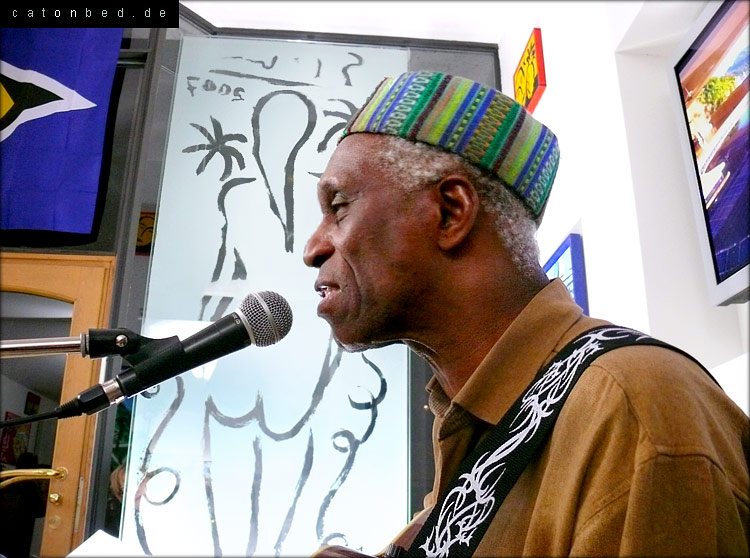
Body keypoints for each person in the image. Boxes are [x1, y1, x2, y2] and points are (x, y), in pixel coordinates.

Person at [302, 70, 750, 556]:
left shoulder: (630, 410)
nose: (313, 248)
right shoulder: (472, 423)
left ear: (450, 212)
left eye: (338, 206)